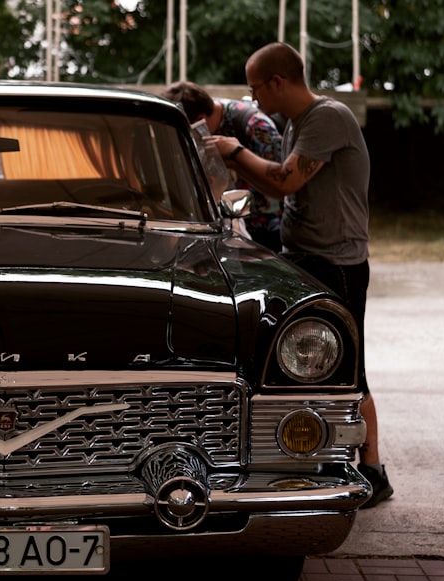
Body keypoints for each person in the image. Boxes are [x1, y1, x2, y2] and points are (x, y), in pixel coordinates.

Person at [208, 42, 392, 508]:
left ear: (278, 82)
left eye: (255, 89)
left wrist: (236, 150)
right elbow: (274, 185)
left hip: (339, 262)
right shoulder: (294, 125)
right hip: (305, 257)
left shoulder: (326, 118)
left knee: (350, 368)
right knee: (308, 367)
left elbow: (287, 179)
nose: (253, 100)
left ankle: (373, 469)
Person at [161, 81, 283, 251]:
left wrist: (237, 155)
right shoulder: (205, 116)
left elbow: (281, 180)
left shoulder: (256, 126)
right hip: (229, 229)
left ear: (200, 120)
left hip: (267, 233)